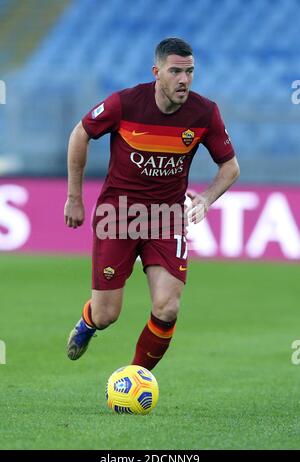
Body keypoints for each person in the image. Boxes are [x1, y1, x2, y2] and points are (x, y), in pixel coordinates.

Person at [64, 37, 240, 370]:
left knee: (167, 307)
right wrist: (75, 197)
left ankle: (136, 377)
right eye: (175, 71)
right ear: (156, 71)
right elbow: (80, 133)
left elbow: (230, 167)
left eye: (190, 72)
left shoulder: (204, 112)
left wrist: (206, 198)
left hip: (167, 218)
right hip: (118, 216)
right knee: (107, 315)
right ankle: (88, 322)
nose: (184, 80)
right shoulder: (125, 104)